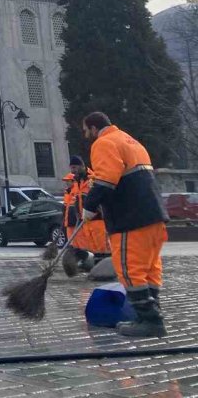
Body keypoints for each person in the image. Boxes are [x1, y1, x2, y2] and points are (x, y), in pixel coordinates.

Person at [80, 112, 169, 337]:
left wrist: (89, 207)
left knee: (130, 269)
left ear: (93, 128)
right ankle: (149, 315)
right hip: (154, 216)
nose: (86, 135)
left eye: (86, 130)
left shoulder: (104, 143)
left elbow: (106, 179)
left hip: (131, 219)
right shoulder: (131, 141)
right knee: (150, 268)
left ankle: (150, 321)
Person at [70, 155, 111, 269]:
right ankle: (97, 269)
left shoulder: (92, 179)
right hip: (85, 221)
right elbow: (78, 200)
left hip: (97, 219)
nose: (72, 171)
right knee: (94, 248)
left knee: (103, 247)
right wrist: (78, 215)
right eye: (71, 168)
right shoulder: (77, 182)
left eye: (74, 167)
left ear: (82, 166)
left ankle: (108, 269)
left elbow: (98, 198)